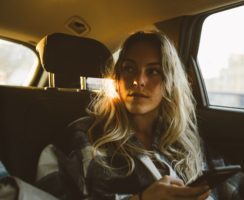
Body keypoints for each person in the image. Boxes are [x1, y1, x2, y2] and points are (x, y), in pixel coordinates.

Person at [35, 31, 212, 200]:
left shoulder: (184, 141)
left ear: (170, 83)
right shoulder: (83, 136)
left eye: (153, 71)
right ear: (117, 79)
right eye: (129, 68)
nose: (138, 81)